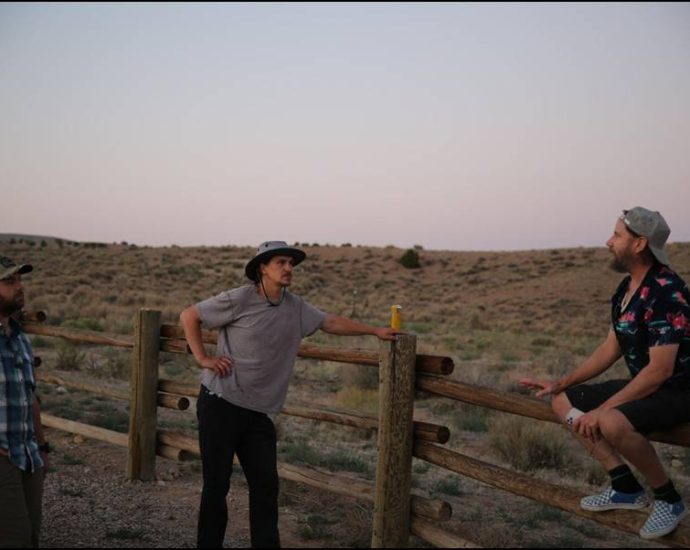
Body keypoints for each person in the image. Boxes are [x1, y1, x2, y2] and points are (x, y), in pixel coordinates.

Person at [180, 241, 402, 548]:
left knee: (266, 487)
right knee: (217, 485)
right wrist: (203, 358)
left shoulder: (295, 307)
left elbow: (329, 322)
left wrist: (374, 330)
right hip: (221, 404)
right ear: (262, 268)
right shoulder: (240, 298)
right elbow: (189, 315)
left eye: (291, 264)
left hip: (258, 413)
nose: (289, 268)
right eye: (281, 262)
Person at [521, 207, 690, 540]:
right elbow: (610, 348)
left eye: (617, 235)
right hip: (649, 386)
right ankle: (624, 486)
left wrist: (603, 410)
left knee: (611, 420)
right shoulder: (626, 289)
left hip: (679, 390)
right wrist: (562, 382)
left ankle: (669, 499)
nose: (608, 241)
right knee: (562, 401)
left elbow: (660, 370)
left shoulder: (667, 291)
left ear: (640, 243)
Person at [0, 256, 49, 548]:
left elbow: (30, 396)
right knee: (13, 537)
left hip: (28, 453)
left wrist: (42, 448)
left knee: (31, 536)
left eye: (19, 279)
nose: (20, 287)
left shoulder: (19, 338)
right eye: (9, 281)